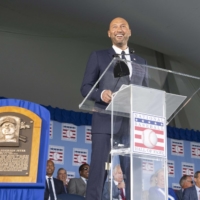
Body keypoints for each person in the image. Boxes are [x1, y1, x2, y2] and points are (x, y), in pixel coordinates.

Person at [80, 17, 148, 200]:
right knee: (99, 170)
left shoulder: (140, 61)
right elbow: (85, 87)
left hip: (131, 125)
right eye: (115, 27)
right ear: (109, 33)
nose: (120, 29)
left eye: (123, 26)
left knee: (132, 171)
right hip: (104, 119)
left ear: (129, 31)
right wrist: (101, 94)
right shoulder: (99, 56)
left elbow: (146, 93)